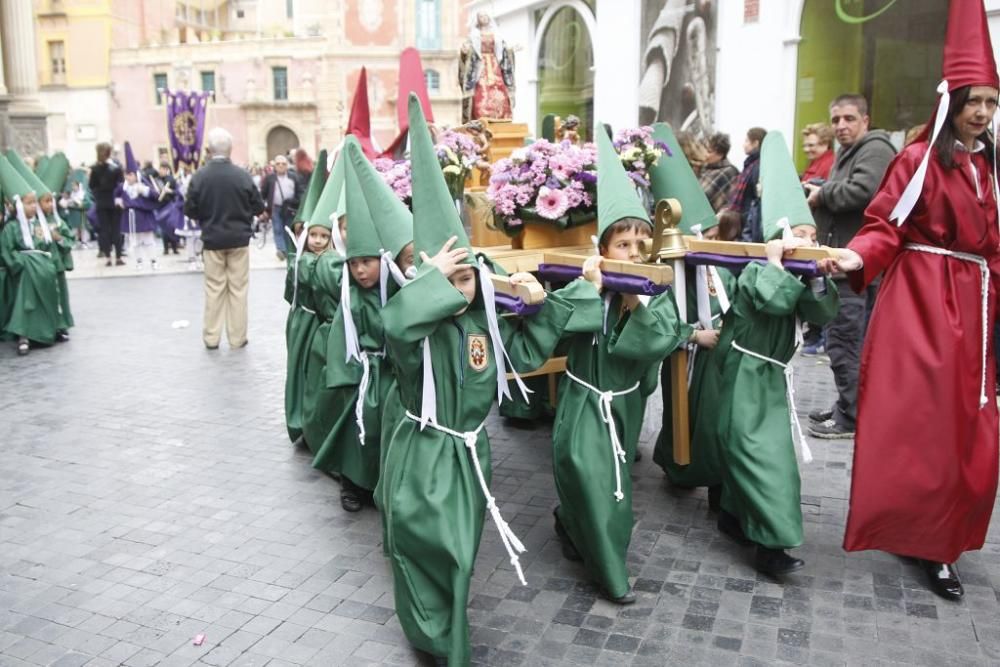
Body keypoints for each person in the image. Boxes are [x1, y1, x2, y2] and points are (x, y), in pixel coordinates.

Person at [380, 94, 573, 666]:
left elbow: (521, 354)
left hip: (470, 453)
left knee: (460, 551)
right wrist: (431, 285)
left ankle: (446, 626)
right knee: (425, 545)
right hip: (424, 452)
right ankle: (436, 638)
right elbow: (395, 328)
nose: (462, 289)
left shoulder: (479, 325)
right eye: (451, 279)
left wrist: (542, 307)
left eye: (468, 276)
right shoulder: (420, 329)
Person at [823, 0, 1000, 601]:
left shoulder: (989, 169)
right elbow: (885, 225)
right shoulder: (919, 160)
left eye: (991, 103)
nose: (982, 113)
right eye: (974, 100)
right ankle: (926, 541)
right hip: (921, 308)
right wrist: (857, 257)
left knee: (970, 434)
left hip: (974, 314)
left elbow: (995, 251)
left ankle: (943, 534)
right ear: (950, 100)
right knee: (923, 429)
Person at [550, 124, 684, 605]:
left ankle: (570, 523)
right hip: (585, 399)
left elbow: (659, 341)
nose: (633, 254)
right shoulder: (583, 283)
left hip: (622, 408)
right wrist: (591, 288)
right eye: (623, 246)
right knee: (584, 471)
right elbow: (558, 325)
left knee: (611, 483)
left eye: (640, 246)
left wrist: (636, 300)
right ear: (603, 249)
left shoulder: (655, 292)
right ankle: (610, 573)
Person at [716, 131, 839, 575]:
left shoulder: (803, 276)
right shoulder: (754, 272)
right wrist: (773, 265)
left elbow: (819, 312)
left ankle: (733, 514)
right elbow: (773, 301)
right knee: (763, 457)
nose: (806, 241)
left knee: (757, 452)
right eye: (797, 234)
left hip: (772, 377)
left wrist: (820, 278)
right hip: (747, 374)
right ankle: (773, 545)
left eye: (812, 234)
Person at [311, 138, 415, 511]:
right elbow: (342, 338)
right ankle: (353, 483)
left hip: (395, 374)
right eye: (354, 264)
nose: (360, 270)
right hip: (365, 374)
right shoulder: (349, 297)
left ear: (382, 261)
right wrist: (344, 376)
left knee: (389, 432)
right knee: (362, 429)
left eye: (367, 262)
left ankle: (384, 483)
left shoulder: (397, 291)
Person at [649, 123, 734, 508]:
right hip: (686, 351)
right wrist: (691, 335)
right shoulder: (666, 272)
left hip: (716, 356)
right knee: (680, 410)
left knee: (714, 416)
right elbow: (657, 319)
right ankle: (677, 462)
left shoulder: (718, 266)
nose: (707, 239)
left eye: (710, 232)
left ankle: (712, 470)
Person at [804, 94, 895, 439]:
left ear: (865, 120)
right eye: (836, 119)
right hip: (847, 264)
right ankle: (850, 405)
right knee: (848, 344)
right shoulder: (854, 150)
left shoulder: (874, 149)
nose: (841, 125)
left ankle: (852, 417)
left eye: (849, 119)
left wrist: (822, 194)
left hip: (856, 268)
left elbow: (866, 191)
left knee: (844, 344)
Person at [184, 127, 265, 350]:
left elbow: (189, 209)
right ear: (230, 150)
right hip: (239, 240)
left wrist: (205, 215)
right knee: (238, 289)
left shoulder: (199, 177)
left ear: (209, 150)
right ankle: (237, 338)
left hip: (212, 240)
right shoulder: (242, 175)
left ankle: (211, 337)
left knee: (214, 288)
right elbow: (258, 206)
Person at [0, 156, 65, 356]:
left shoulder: (39, 225)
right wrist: (19, 263)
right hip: (25, 269)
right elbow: (7, 249)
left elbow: (47, 245)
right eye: (28, 204)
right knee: (27, 295)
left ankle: (50, 328)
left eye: (33, 204)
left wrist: (51, 260)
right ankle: (24, 334)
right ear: (19, 206)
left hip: (44, 267)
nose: (32, 207)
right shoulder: (11, 228)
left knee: (48, 293)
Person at [459, 11, 515, 123]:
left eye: (485, 16)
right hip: (479, 67)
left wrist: (510, 50)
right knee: (480, 94)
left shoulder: (496, 34)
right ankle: (480, 120)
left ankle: (501, 119)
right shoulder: (473, 35)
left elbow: (503, 50)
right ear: (477, 19)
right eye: (480, 16)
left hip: (495, 67)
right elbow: (468, 50)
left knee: (500, 93)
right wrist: (464, 52)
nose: (483, 18)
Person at [115, 143, 160, 271]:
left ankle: (153, 260)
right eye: (126, 175)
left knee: (148, 240)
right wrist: (118, 201)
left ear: (135, 175)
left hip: (143, 216)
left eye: (130, 175)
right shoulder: (123, 187)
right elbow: (116, 194)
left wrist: (144, 191)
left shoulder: (143, 185)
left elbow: (155, 195)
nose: (127, 177)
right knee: (135, 241)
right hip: (130, 216)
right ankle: (139, 261)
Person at [723, 127, 766, 242]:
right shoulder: (751, 164)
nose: (744, 145)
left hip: (747, 222)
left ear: (756, 143)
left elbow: (755, 197)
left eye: (747, 141)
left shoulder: (757, 166)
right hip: (744, 219)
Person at [88, 142, 124, 267]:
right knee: (116, 229)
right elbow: (121, 184)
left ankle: (108, 257)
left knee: (104, 230)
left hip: (101, 202)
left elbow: (91, 186)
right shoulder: (116, 168)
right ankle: (119, 257)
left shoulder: (94, 169)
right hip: (115, 202)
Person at [260, 155, 302, 261]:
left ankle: (288, 250)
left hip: (289, 208)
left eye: (283, 164)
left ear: (287, 165)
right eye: (278, 164)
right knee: (277, 228)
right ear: (274, 165)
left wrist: (295, 202)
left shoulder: (294, 177)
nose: (281, 166)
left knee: (288, 229)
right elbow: (263, 194)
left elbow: (300, 192)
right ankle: (281, 249)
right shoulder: (270, 178)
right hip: (275, 207)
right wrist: (263, 209)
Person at [699, 132, 741, 212]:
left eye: (709, 151)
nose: (705, 154)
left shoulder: (729, 172)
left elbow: (704, 197)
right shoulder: (705, 168)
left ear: (720, 154)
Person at [152, 162, 183, 256]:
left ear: (166, 170)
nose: (160, 171)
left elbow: (177, 192)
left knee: (172, 227)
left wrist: (170, 191)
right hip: (160, 206)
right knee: (163, 229)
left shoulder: (171, 180)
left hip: (170, 206)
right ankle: (165, 248)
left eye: (162, 169)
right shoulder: (156, 180)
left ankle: (174, 247)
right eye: (160, 169)